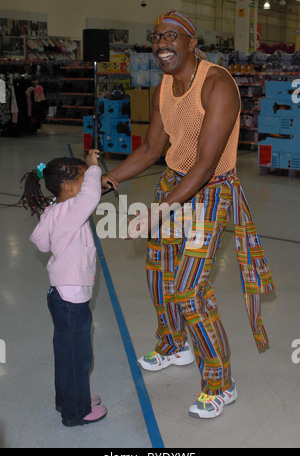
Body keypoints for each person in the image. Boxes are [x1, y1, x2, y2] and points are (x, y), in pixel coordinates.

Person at [105, 10, 275, 419]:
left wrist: (156, 211)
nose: (162, 43)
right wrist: (104, 179)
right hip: (175, 183)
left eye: (172, 36)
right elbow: (150, 150)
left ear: (191, 43)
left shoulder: (218, 85)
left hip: (210, 191)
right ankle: (174, 345)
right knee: (157, 272)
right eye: (157, 36)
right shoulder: (165, 85)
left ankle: (220, 383)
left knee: (189, 290)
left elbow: (205, 163)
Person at [20, 150, 118, 427]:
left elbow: (40, 241)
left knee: (67, 352)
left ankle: (68, 399)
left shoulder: (56, 210)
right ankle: (77, 412)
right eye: (85, 178)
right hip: (71, 298)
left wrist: (94, 178)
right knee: (78, 356)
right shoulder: (71, 212)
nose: (91, 184)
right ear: (69, 187)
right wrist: (93, 166)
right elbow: (88, 197)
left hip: (61, 295)